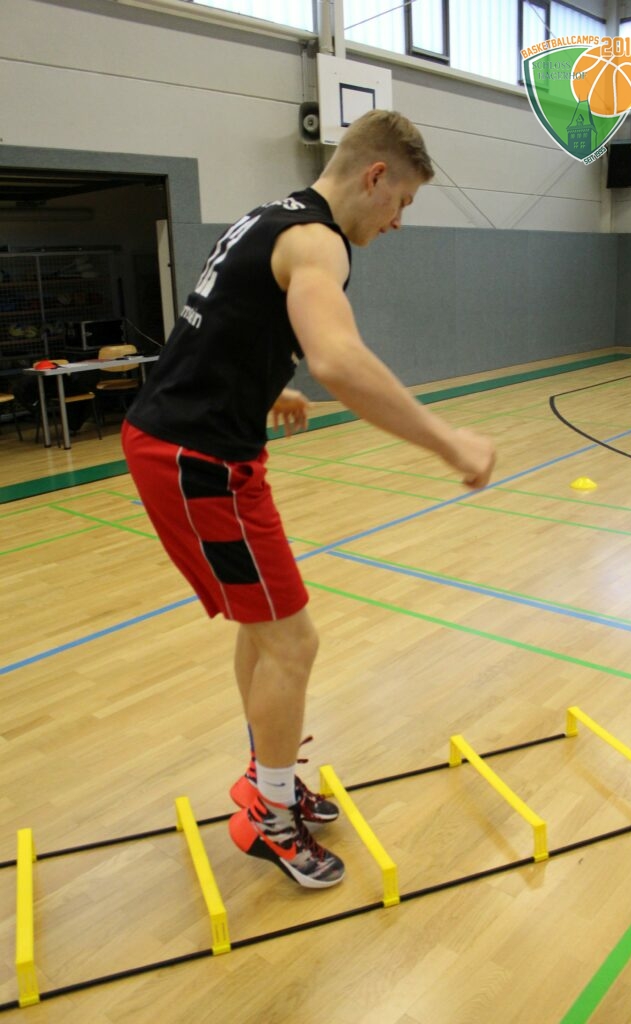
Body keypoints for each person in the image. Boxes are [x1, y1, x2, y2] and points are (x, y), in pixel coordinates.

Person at [122, 109, 496, 890]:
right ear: (374, 176)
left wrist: (266, 387)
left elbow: (219, 326)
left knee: (266, 629)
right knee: (292, 643)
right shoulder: (317, 239)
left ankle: (267, 779)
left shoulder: (272, 217)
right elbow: (338, 357)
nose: (397, 222)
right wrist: (447, 441)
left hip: (205, 447)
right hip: (196, 459)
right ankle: (269, 813)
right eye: (402, 203)